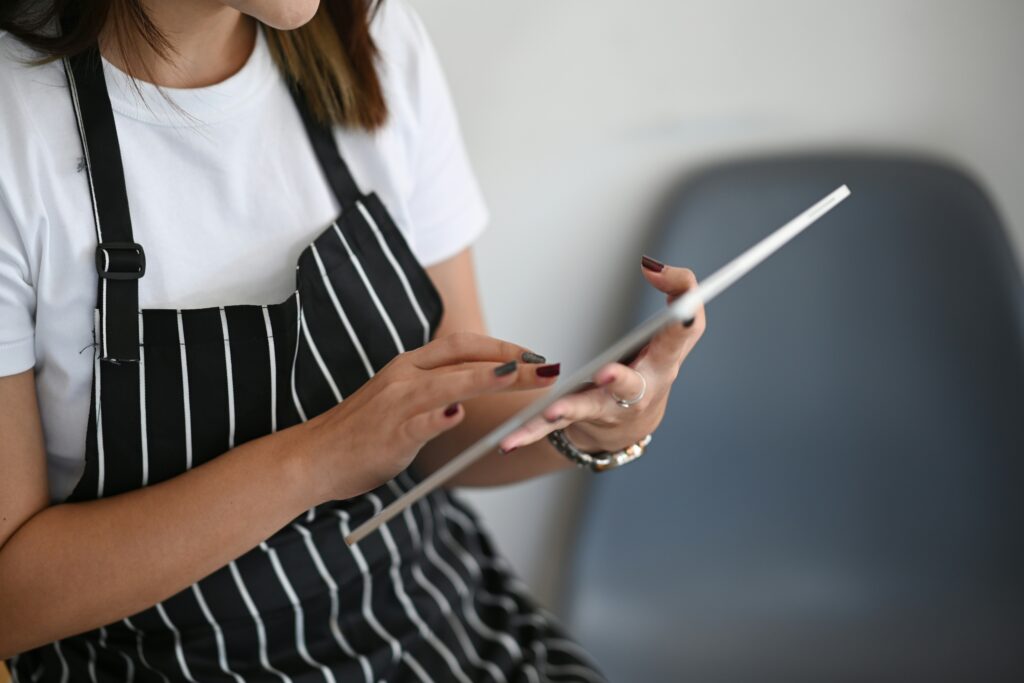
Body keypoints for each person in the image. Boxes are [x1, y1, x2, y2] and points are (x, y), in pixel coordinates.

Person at [0, 0, 706, 680]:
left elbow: (448, 426)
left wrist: (593, 424)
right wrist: (319, 458)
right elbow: (12, 598)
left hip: (439, 632)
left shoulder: (372, 37)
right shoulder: (15, 122)